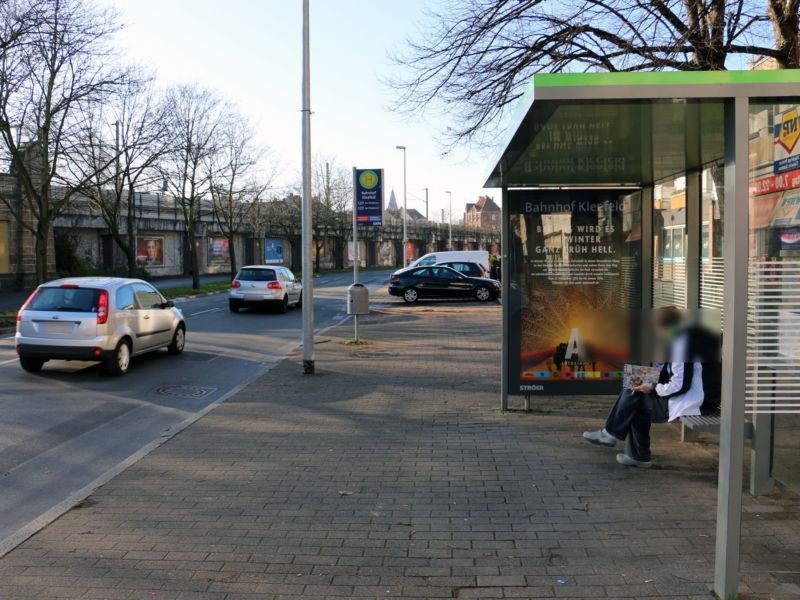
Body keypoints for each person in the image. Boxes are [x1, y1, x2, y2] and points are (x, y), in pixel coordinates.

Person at [582, 307, 716, 468]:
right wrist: (648, 380)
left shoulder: (681, 345)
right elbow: (674, 373)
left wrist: (653, 387)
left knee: (636, 401)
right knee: (635, 381)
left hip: (695, 401)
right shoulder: (685, 337)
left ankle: (632, 451)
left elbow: (680, 385)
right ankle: (617, 440)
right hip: (702, 395)